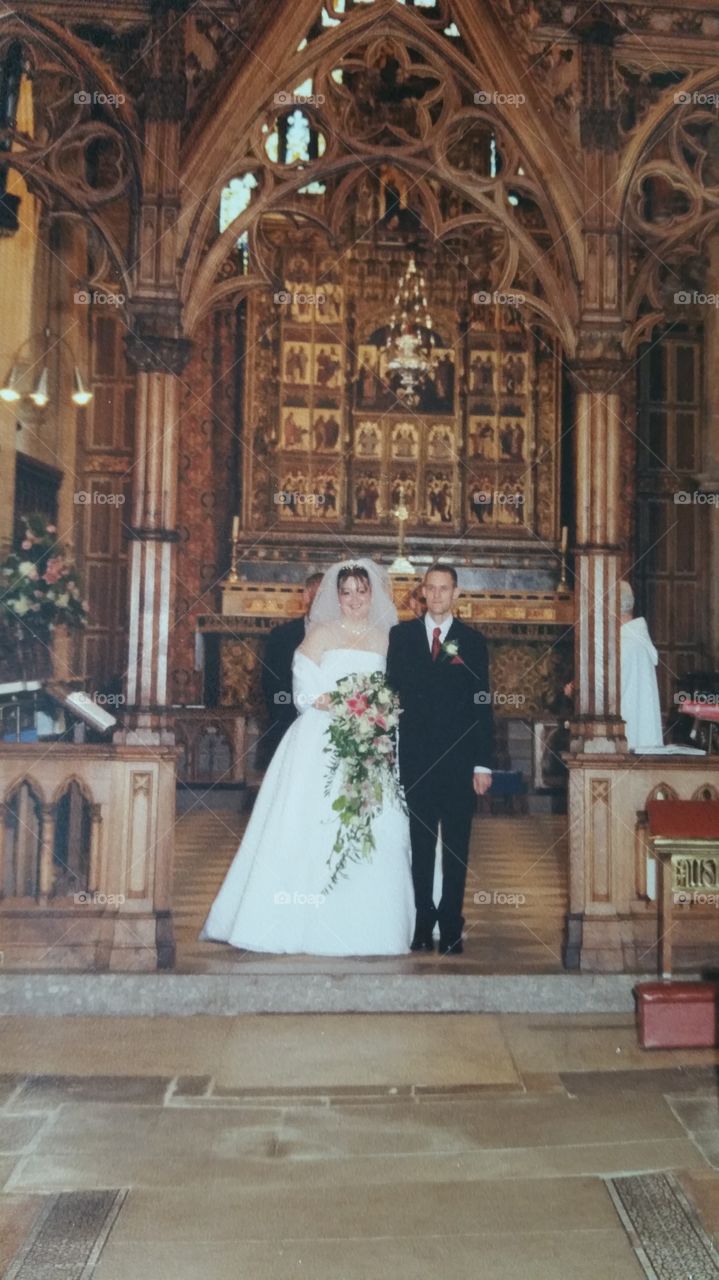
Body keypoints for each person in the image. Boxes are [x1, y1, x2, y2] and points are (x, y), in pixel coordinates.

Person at [200, 560, 414, 956]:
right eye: (346, 592)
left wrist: (378, 712)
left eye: (361, 591)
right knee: (312, 824)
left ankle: (373, 925)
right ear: (336, 596)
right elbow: (305, 692)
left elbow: (398, 691)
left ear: (374, 595)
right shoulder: (320, 634)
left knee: (378, 827)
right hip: (321, 740)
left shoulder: (389, 638)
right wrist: (351, 705)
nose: (353, 600)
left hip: (374, 742)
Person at [386, 564, 494, 955]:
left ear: (456, 594)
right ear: (421, 593)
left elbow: (482, 703)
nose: (436, 596)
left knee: (456, 847)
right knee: (420, 842)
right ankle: (423, 918)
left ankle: (451, 921)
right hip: (416, 758)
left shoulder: (472, 641)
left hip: (460, 760)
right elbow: (390, 693)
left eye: (443, 589)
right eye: (430, 589)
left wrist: (483, 763)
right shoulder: (400, 637)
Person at [260, 572, 323, 763]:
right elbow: (272, 686)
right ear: (306, 596)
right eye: (321, 595)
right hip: (289, 724)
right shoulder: (282, 636)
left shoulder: (344, 637)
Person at [619, 580, 664, 750]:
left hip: (623, 739)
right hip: (640, 737)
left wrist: (576, 692)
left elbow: (602, 695)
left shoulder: (623, 643)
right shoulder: (637, 639)